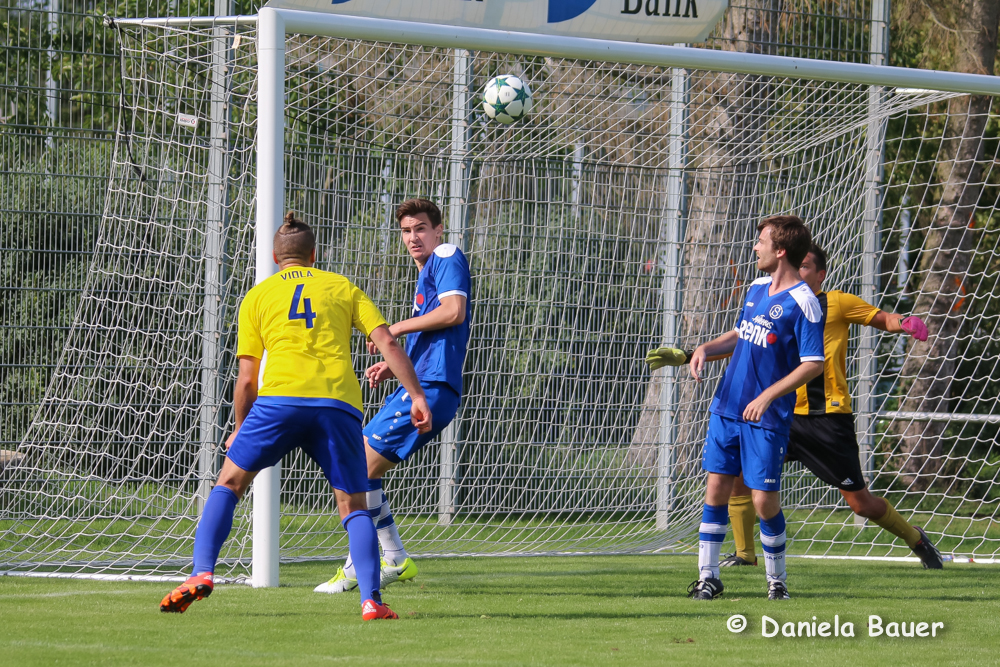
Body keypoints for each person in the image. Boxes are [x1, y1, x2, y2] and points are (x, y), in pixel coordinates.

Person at [159, 212, 431, 621]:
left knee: (229, 483)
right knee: (354, 506)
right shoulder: (342, 287)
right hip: (336, 405)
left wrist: (240, 428)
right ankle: (371, 601)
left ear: (274, 257)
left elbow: (246, 379)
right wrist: (416, 395)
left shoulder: (258, 296)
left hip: (278, 404)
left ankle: (201, 572)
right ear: (314, 255)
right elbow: (387, 342)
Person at [716, 244, 942, 569]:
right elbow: (745, 340)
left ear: (820, 274)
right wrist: (697, 352)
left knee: (861, 504)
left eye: (806, 266)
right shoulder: (773, 303)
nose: (798, 270)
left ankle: (915, 538)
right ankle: (745, 554)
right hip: (782, 414)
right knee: (739, 473)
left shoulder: (836, 302)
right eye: (797, 264)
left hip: (827, 420)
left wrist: (903, 321)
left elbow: (882, 318)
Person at [315, 198, 471, 594]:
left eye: (421, 228)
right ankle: (395, 558)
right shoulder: (426, 274)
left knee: (356, 468)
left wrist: (395, 329)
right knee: (361, 469)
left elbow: (454, 311)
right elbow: (434, 335)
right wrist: (394, 365)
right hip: (423, 383)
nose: (413, 237)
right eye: (406, 230)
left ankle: (357, 566)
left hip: (432, 388)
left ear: (438, 230)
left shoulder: (446, 255)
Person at [686, 215, 825, 602]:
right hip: (727, 406)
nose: (755, 247)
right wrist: (705, 348)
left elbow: (813, 363)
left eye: (761, 241)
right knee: (716, 488)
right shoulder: (757, 287)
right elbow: (742, 334)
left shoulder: (805, 303)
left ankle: (777, 581)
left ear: (780, 250)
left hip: (765, 417)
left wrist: (767, 397)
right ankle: (708, 578)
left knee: (763, 500)